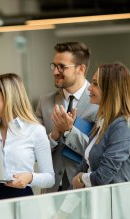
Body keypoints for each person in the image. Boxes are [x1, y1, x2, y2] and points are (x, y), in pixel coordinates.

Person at [0, 73, 54, 200]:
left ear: (7, 96)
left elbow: (50, 178)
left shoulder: (36, 131)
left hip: (24, 202)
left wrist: (30, 177)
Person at [36, 41, 99, 192]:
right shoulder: (44, 102)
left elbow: (99, 153)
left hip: (85, 188)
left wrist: (70, 131)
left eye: (62, 67)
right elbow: (35, 150)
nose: (55, 71)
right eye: (54, 66)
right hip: (51, 190)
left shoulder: (99, 103)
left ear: (81, 69)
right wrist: (54, 136)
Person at [72, 62, 130, 188]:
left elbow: (103, 176)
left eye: (95, 83)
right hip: (95, 202)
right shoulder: (101, 123)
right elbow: (83, 168)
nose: (89, 87)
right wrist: (64, 207)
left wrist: (81, 178)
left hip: (112, 205)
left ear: (110, 89)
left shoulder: (124, 126)